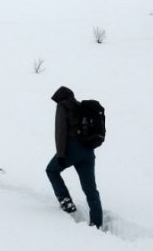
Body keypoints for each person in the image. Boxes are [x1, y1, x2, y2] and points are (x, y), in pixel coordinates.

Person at [45, 86, 103, 228]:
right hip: (88, 150)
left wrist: (61, 154)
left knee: (52, 170)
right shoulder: (80, 106)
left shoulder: (63, 106)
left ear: (60, 97)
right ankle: (96, 223)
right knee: (90, 189)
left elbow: (60, 131)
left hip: (72, 148)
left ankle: (67, 203)